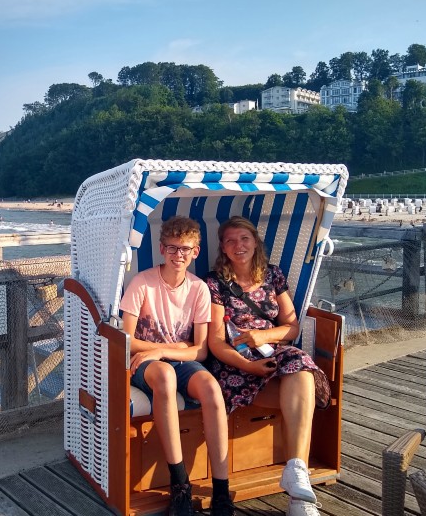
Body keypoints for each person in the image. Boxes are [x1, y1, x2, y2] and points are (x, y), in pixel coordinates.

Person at [204, 216, 330, 516]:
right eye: (231, 240)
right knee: (301, 396)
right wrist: (249, 367)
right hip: (235, 362)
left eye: (244, 238)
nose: (239, 245)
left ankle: (296, 472)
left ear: (255, 241)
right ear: (223, 247)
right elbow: (216, 343)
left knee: (300, 368)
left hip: (272, 350)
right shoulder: (215, 283)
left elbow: (292, 327)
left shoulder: (272, 275)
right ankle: (299, 499)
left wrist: (262, 335)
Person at [119, 216, 234, 516]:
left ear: (196, 251)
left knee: (210, 387)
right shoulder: (141, 283)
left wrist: (161, 349)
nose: (178, 255)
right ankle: (180, 483)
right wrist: (163, 352)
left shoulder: (198, 289)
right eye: (172, 248)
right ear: (161, 249)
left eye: (185, 249)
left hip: (173, 358)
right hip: (146, 364)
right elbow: (127, 340)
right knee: (166, 375)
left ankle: (221, 490)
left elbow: (200, 349)